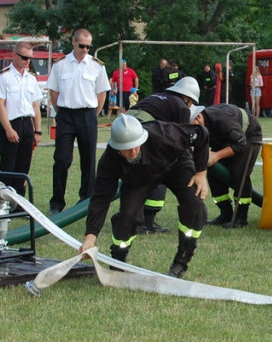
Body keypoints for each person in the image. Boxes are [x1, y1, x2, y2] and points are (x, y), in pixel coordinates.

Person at [79, 114, 209, 278]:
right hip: (139, 178)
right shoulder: (109, 161)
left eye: (136, 145)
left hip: (176, 165)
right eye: (127, 148)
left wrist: (201, 172)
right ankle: (118, 260)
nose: (133, 151)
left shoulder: (164, 134)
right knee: (127, 217)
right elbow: (100, 198)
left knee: (195, 206)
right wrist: (90, 237)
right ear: (117, 147)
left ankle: (181, 261)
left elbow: (201, 133)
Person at [46, 28, 110, 214]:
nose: (85, 50)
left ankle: (86, 200)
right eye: (81, 45)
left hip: (87, 115)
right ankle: (56, 203)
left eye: (88, 47)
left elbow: (102, 94)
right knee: (61, 159)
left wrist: (93, 114)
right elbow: (54, 92)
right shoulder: (60, 65)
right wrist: (61, 112)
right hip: (66, 114)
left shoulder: (97, 66)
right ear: (73, 42)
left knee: (88, 160)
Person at [126, 76, 200, 233]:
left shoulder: (157, 96)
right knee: (160, 170)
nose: (191, 106)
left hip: (126, 131)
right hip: (145, 132)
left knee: (136, 176)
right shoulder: (181, 107)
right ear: (186, 97)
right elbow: (182, 138)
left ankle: (135, 219)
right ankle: (146, 221)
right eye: (191, 102)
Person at [192, 103, 262, 228]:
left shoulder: (222, 120)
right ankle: (226, 214)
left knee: (239, 172)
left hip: (248, 136)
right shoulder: (197, 123)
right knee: (214, 174)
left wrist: (216, 155)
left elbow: (240, 143)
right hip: (225, 138)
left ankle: (241, 217)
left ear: (198, 117)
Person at [0, 42, 43, 196]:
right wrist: (8, 129)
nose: (27, 61)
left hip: (27, 124)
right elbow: (0, 104)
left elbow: (35, 106)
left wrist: (38, 131)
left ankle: (19, 202)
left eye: (29, 58)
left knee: (23, 166)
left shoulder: (31, 79)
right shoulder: (3, 76)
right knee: (8, 166)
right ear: (14, 55)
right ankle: (5, 201)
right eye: (24, 57)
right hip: (11, 122)